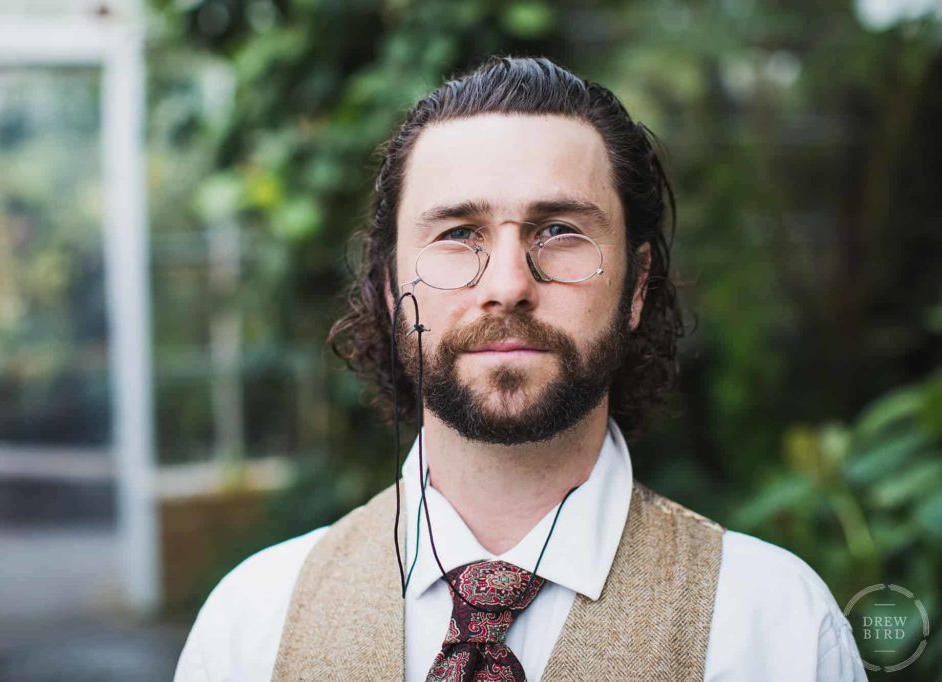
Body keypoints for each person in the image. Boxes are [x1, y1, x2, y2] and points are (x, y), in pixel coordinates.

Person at [174, 56, 866, 681]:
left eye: (560, 231)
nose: (507, 284)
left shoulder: (778, 631)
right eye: (456, 235)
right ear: (389, 289)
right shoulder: (251, 626)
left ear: (637, 286)